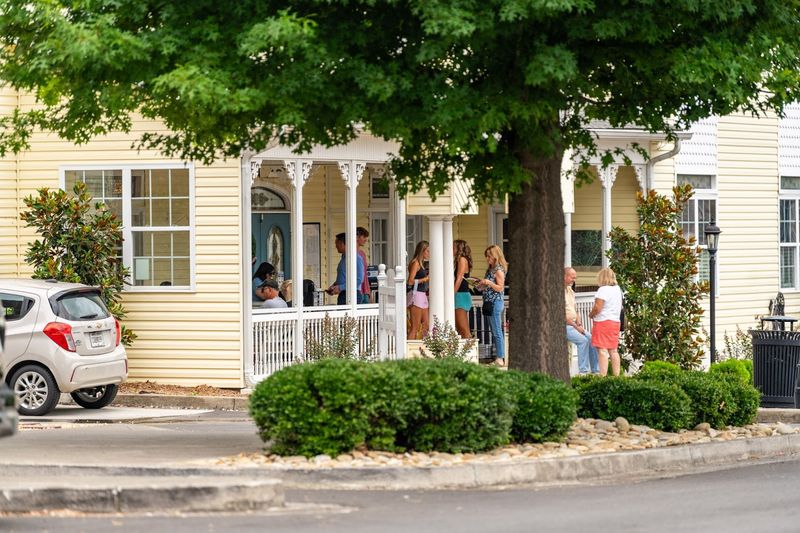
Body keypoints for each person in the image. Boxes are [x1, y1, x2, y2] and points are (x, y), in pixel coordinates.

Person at [564, 267, 599, 375]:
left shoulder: (570, 290)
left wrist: (579, 323)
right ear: (564, 276)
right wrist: (576, 326)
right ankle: (583, 371)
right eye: (572, 277)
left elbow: (576, 309)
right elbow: (562, 316)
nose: (574, 280)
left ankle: (595, 371)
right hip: (565, 325)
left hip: (574, 324)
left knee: (592, 339)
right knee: (583, 341)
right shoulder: (557, 292)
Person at [589, 267, 624, 376]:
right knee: (613, 350)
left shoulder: (603, 290)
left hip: (603, 322)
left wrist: (591, 315)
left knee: (602, 350)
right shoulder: (618, 289)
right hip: (615, 322)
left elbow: (598, 308)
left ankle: (603, 376)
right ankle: (617, 376)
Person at [477, 244, 507, 366]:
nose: (487, 259)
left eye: (489, 257)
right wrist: (481, 285)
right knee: (494, 331)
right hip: (489, 302)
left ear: (495, 256)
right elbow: (490, 286)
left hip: (495, 302)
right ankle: (499, 357)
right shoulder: (490, 269)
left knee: (497, 332)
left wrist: (488, 282)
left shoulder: (498, 270)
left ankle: (500, 358)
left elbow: (500, 288)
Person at [326, 232, 365, 305]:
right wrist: (335, 286)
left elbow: (359, 279)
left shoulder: (356, 258)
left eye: (337, 243)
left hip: (353, 294)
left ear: (343, 244)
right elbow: (344, 276)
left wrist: (340, 287)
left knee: (348, 316)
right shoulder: (344, 258)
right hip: (343, 294)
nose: (336, 246)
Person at [406, 240, 430, 340]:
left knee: (426, 325)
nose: (429, 253)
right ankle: (408, 352)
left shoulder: (422, 264)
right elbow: (410, 281)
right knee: (415, 327)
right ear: (422, 251)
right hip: (416, 295)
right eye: (427, 251)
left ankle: (425, 349)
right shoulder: (416, 263)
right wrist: (425, 279)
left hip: (422, 295)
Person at [453, 239, 473, 339]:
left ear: (459, 248)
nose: (452, 249)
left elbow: (459, 278)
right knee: (459, 328)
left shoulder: (462, 259)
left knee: (464, 328)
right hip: (460, 294)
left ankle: (470, 352)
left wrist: (452, 293)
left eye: (453, 247)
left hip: (461, 295)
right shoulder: (459, 260)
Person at [356, 226, 371, 304]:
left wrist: (368, 291)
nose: (365, 239)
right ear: (357, 237)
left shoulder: (362, 254)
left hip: (365, 292)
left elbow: (365, 275)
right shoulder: (351, 254)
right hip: (357, 291)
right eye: (364, 236)